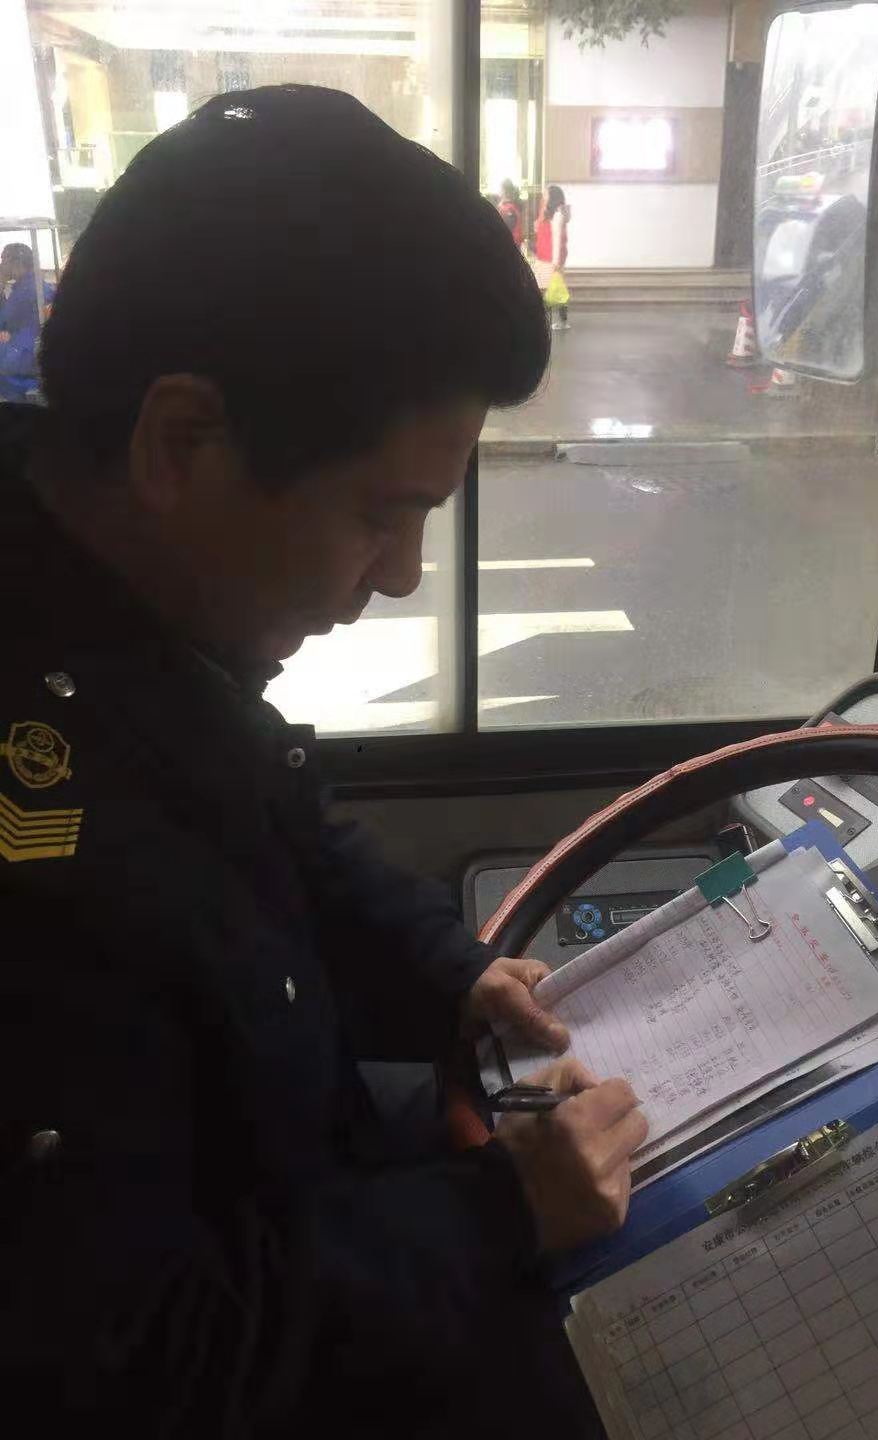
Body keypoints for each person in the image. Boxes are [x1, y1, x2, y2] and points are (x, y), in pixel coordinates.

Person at [0, 86, 647, 1438]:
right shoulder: (36, 863)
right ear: (182, 442)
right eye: (379, 514)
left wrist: (450, 974)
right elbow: (121, 1362)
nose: (401, 575)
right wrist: (498, 1214)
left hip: (311, 1183)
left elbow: (285, 833)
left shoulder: (143, 619)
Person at [0, 241, 54, 402]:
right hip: (28, 350)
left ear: (17, 263)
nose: (1, 265)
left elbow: (3, 320)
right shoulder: (34, 285)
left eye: (3, 260)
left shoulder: (26, 291)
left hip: (22, 357)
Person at [532, 184, 571, 331]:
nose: (544, 196)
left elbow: (557, 238)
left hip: (551, 259)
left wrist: (556, 262)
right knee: (547, 290)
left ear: (552, 196)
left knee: (555, 290)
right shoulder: (549, 213)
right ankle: (547, 321)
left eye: (546, 194)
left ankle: (560, 321)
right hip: (544, 257)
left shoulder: (558, 214)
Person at [496, 179, 524, 247]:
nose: (498, 191)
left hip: (509, 246)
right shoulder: (509, 206)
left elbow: (506, 230)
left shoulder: (508, 208)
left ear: (504, 191)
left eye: (499, 189)